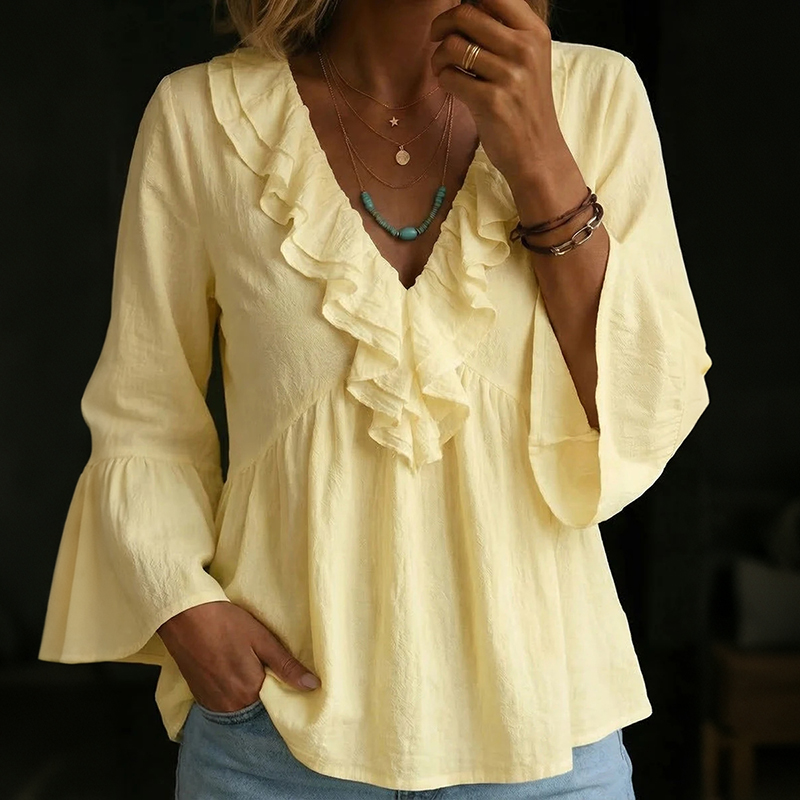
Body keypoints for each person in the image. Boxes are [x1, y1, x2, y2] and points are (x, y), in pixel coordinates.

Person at [38, 0, 712, 797]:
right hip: (274, 740)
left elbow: (645, 408)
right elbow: (144, 416)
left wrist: (539, 157)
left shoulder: (598, 96)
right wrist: (185, 609)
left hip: (547, 737)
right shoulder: (201, 117)